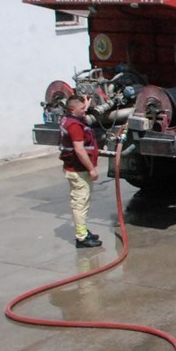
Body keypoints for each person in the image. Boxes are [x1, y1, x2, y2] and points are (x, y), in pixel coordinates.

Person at [59, 94, 101, 248]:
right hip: (78, 170)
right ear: (72, 109)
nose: (85, 111)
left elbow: (79, 111)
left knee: (81, 201)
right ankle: (82, 238)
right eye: (82, 109)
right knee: (80, 203)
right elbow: (79, 150)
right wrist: (92, 169)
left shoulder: (68, 118)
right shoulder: (75, 126)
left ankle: (82, 231)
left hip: (73, 168)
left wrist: (86, 104)